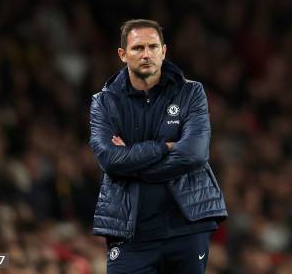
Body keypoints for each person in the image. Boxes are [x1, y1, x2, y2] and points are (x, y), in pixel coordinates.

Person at [89, 19, 227, 273]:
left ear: (164, 51)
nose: (146, 54)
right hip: (130, 233)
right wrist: (165, 148)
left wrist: (134, 163)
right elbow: (109, 160)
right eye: (138, 48)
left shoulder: (191, 93)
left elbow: (194, 154)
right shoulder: (104, 102)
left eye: (153, 47)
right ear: (122, 54)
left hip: (186, 227)